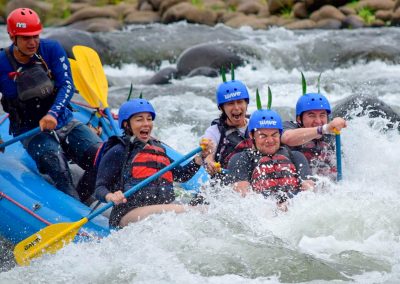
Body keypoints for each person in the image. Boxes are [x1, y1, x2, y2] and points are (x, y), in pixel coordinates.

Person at [0, 8, 102, 200]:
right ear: (13, 37)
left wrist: (53, 114)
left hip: (65, 121)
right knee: (59, 169)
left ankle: (85, 198)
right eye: (25, 38)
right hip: (30, 131)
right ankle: (75, 211)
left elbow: (67, 85)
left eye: (35, 36)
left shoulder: (52, 49)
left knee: (102, 158)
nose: (32, 42)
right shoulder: (1, 62)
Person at [94, 98, 213, 228]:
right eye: (139, 119)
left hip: (160, 208)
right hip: (128, 212)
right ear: (127, 125)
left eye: (149, 119)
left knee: (205, 206)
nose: (146, 124)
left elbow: (181, 175)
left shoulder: (158, 150)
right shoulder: (119, 150)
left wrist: (199, 159)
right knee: (196, 212)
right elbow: (100, 188)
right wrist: (111, 196)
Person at [226, 106, 314, 210]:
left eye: (274, 135)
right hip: (263, 215)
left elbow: (308, 190)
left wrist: (289, 205)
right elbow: (243, 195)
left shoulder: (296, 157)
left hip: (293, 211)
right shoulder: (240, 159)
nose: (270, 140)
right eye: (263, 136)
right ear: (251, 135)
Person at [281, 77, 347, 180]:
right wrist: (323, 129)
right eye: (311, 115)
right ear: (299, 119)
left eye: (322, 115)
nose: (318, 121)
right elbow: (287, 138)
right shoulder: (289, 126)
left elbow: (341, 169)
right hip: (296, 184)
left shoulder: (331, 137)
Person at [201, 68, 251, 177]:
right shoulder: (214, 131)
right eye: (230, 103)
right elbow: (209, 155)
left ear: (246, 103)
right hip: (228, 181)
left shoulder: (256, 125)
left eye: (240, 102)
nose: (237, 108)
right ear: (222, 108)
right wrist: (210, 163)